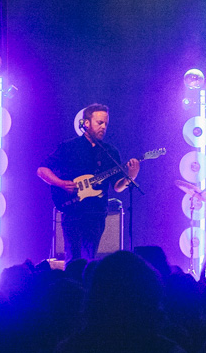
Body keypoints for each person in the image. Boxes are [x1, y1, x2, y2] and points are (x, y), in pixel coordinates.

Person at [37, 103, 139, 261]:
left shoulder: (110, 152)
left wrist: (131, 176)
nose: (103, 127)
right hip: (73, 209)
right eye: (99, 123)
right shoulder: (69, 147)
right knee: (73, 257)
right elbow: (42, 170)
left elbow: (117, 187)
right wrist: (61, 183)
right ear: (86, 123)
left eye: (106, 123)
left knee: (89, 258)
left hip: (97, 212)